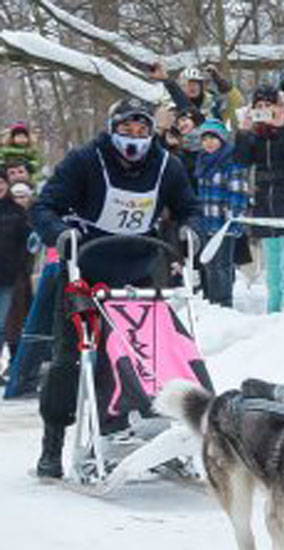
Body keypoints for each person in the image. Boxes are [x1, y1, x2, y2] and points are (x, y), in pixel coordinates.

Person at [30, 96, 201, 478]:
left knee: (144, 354)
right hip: (84, 272)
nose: (135, 138)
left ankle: (132, 431)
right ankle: (52, 443)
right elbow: (43, 207)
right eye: (127, 130)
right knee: (69, 358)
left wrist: (191, 230)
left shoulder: (165, 165)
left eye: (142, 130)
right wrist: (60, 235)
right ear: (112, 130)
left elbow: (190, 206)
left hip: (138, 270)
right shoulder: (85, 161)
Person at [236, 86, 284, 313]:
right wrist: (243, 133)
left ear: (278, 107)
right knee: (273, 271)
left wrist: (283, 129)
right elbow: (240, 160)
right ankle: (273, 313)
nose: (263, 111)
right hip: (265, 207)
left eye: (267, 106)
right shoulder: (255, 136)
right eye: (258, 107)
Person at [193, 119, 248, 307]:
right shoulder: (202, 162)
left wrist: (232, 216)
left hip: (225, 224)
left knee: (222, 265)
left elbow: (238, 192)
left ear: (222, 139)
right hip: (207, 222)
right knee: (209, 263)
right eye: (205, 139)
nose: (208, 143)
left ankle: (224, 302)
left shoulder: (231, 162)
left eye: (213, 138)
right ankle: (212, 300)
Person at [0, 175, 32, 379]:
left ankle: (13, 365)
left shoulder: (18, 213)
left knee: (4, 324)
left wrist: (21, 268)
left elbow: (29, 245)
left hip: (9, 277)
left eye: (1, 182)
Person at [151, 62, 243, 129]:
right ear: (180, 87)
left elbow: (237, 103)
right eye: (187, 84)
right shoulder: (170, 107)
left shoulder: (214, 105)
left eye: (195, 83)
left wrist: (220, 82)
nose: (192, 87)